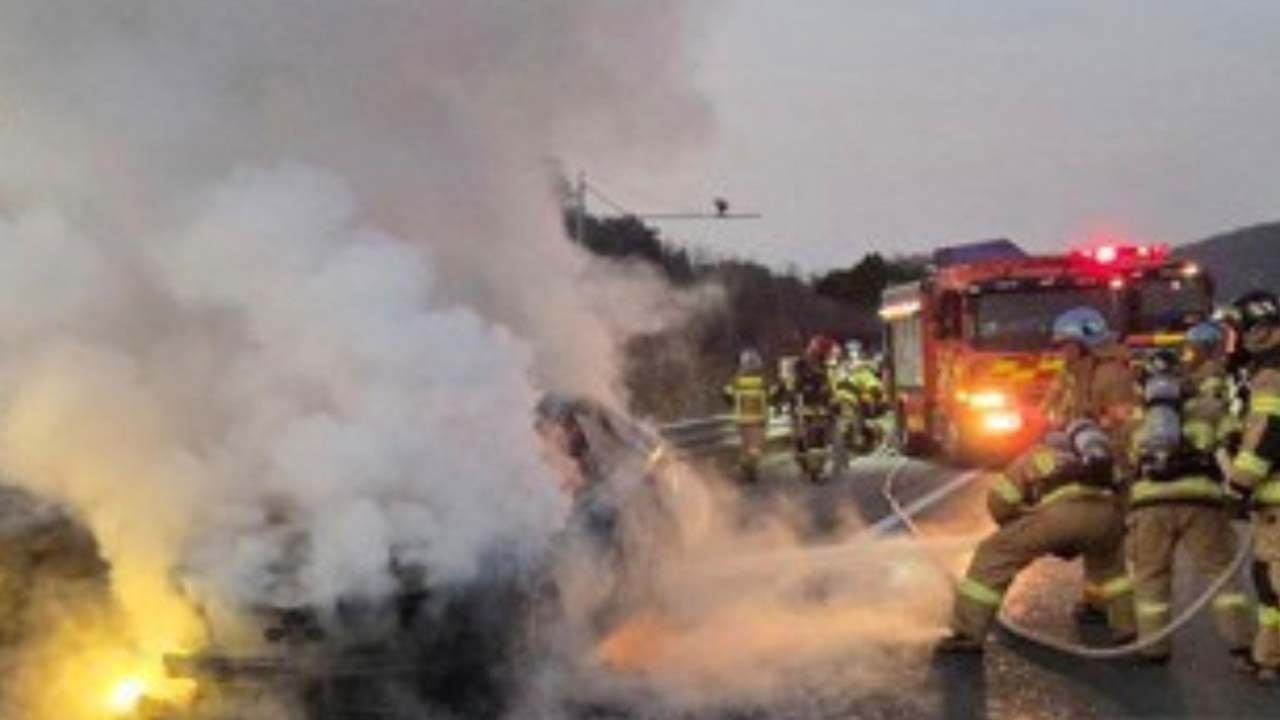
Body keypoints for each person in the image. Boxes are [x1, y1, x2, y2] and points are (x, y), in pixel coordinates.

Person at [935, 419, 1136, 653]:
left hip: (1059, 518)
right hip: (1106, 516)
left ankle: (967, 632)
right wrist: (1116, 524)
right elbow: (1126, 493)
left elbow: (1000, 502)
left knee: (994, 553)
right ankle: (1125, 626)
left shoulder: (1038, 456)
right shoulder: (1105, 459)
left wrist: (1017, 527)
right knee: (1111, 569)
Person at [1126, 324, 1252, 664]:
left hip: (1149, 504)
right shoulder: (1209, 408)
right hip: (1202, 500)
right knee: (1220, 572)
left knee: (1151, 577)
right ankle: (1243, 646)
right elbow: (1236, 443)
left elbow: (1126, 462)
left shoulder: (1138, 418)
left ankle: (1154, 649)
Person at [1040, 306, 1140, 622]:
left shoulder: (1111, 375)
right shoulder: (1074, 373)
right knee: (1096, 537)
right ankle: (1097, 601)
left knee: (1110, 540)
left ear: (1085, 343)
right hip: (1088, 462)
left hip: (1114, 467)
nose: (1061, 352)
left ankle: (1122, 614)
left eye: (1065, 344)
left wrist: (1119, 468)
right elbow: (1050, 410)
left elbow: (1128, 427)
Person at [1226, 290, 1280, 682]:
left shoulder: (1273, 372)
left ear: (1260, 329)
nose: (1237, 342)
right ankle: (1269, 657)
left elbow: (1269, 433)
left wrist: (1240, 484)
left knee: (1274, 578)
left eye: (1240, 332)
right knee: (1266, 578)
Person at [791, 336, 837, 482]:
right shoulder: (801, 365)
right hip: (805, 410)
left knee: (818, 441)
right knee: (808, 441)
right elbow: (795, 388)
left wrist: (832, 402)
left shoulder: (821, 366)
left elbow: (827, 387)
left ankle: (815, 469)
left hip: (819, 409)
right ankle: (812, 469)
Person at [724, 348, 770, 483]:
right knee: (756, 448)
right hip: (759, 419)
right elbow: (772, 394)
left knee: (746, 447)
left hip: (743, 420)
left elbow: (726, 394)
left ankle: (748, 472)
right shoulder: (762, 382)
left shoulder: (736, 381)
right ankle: (746, 471)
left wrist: (732, 402)